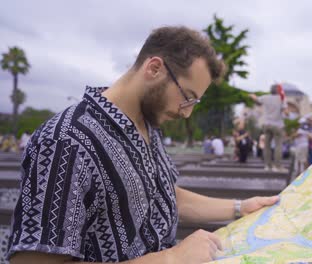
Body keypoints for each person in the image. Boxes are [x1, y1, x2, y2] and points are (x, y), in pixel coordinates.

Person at [7, 26, 279, 264]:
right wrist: (170, 258)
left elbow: (165, 197)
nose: (186, 113)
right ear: (154, 68)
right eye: (187, 97)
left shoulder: (148, 124)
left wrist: (239, 207)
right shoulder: (66, 141)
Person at [249, 85, 288, 172]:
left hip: (266, 124)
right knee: (278, 146)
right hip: (278, 125)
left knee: (267, 146)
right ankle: (277, 166)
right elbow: (286, 112)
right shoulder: (281, 98)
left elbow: (256, 100)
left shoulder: (265, 97)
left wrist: (252, 95)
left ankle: (267, 166)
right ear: (278, 91)